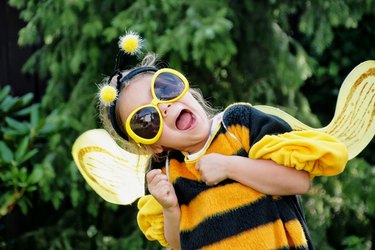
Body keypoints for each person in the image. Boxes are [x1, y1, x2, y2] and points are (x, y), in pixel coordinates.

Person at [98, 50, 348, 249]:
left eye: (164, 89)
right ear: (155, 145)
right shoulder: (168, 172)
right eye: (146, 120)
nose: (163, 107)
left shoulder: (239, 125)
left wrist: (229, 166)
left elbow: (297, 181)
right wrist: (170, 209)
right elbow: (179, 244)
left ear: (188, 91)